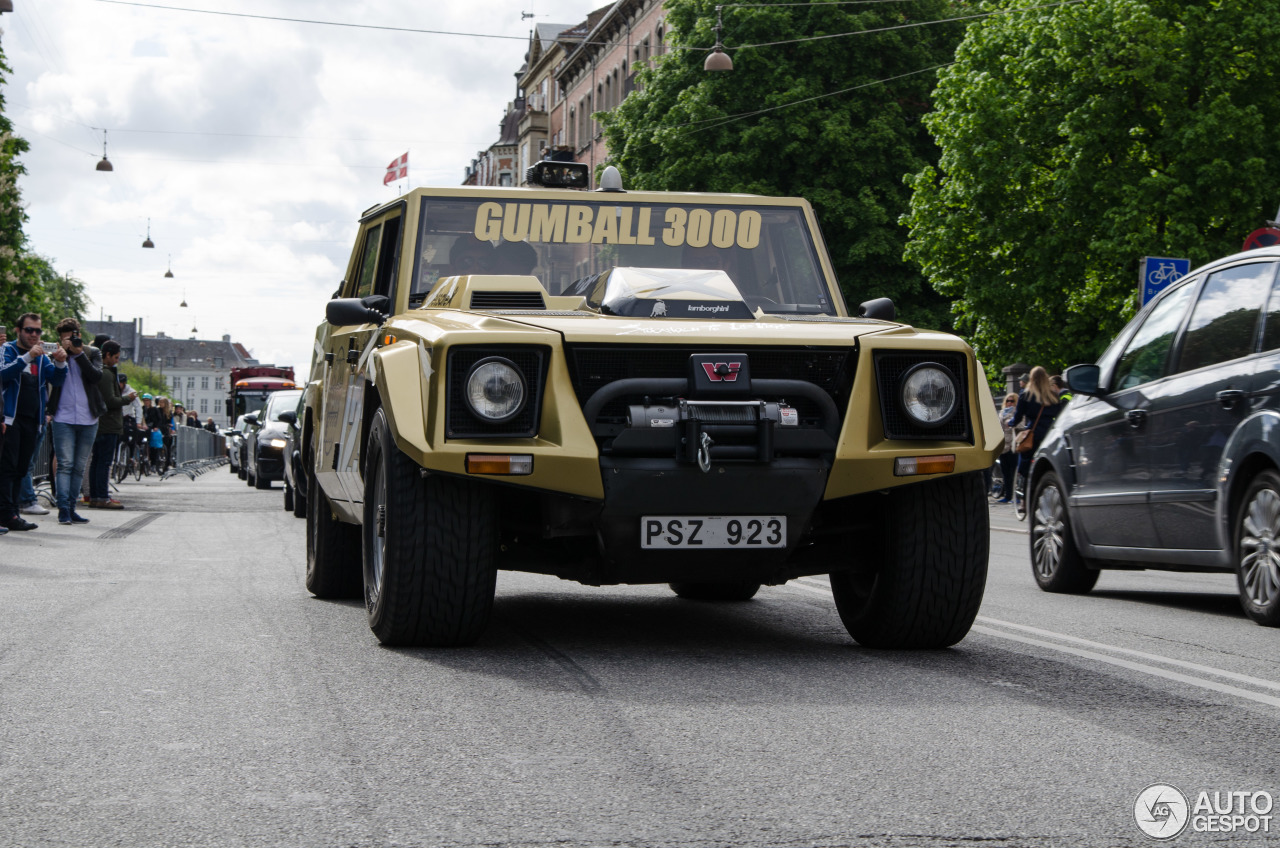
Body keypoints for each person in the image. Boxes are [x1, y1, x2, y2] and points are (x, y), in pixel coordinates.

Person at [1, 313, 69, 532]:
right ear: (18, 330)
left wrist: (60, 362)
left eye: (37, 331)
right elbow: (3, 374)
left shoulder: (41, 356)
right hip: (10, 418)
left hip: (33, 419)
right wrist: (27, 356)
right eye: (29, 330)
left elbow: (56, 379)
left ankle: (12, 513)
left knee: (22, 469)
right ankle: (7, 513)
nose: (33, 334)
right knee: (8, 468)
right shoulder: (8, 350)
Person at [46, 318, 104, 525]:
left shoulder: (92, 353)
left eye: (72, 338)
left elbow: (97, 376)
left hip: (89, 417)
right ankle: (63, 509)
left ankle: (72, 508)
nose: (69, 342)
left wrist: (79, 354)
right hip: (62, 416)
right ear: (60, 340)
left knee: (79, 466)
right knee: (65, 465)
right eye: (65, 339)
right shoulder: (54, 355)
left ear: (78, 335)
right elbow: (51, 380)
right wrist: (60, 358)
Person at [87, 340, 131, 509]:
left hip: (101, 424)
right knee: (103, 463)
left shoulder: (102, 372)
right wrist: (128, 399)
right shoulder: (106, 374)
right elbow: (109, 400)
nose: (117, 361)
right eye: (116, 357)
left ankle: (96, 496)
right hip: (108, 424)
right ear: (107, 355)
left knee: (98, 462)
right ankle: (101, 496)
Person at [1011, 366, 1062, 506]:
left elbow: (1017, 417)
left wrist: (1011, 423)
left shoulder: (1025, 395)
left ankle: (1024, 500)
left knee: (1025, 464)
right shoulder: (1053, 396)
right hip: (1049, 434)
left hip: (1033, 435)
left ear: (1031, 378)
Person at [994, 392, 1018, 503]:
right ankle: (1008, 495)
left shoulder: (1017, 413)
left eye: (1012, 401)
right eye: (1008, 401)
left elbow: (1019, 425)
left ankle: (1015, 496)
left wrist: (1010, 421)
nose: (1009, 403)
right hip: (1003, 445)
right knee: (1005, 473)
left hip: (1013, 445)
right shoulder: (1002, 413)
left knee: (1014, 472)